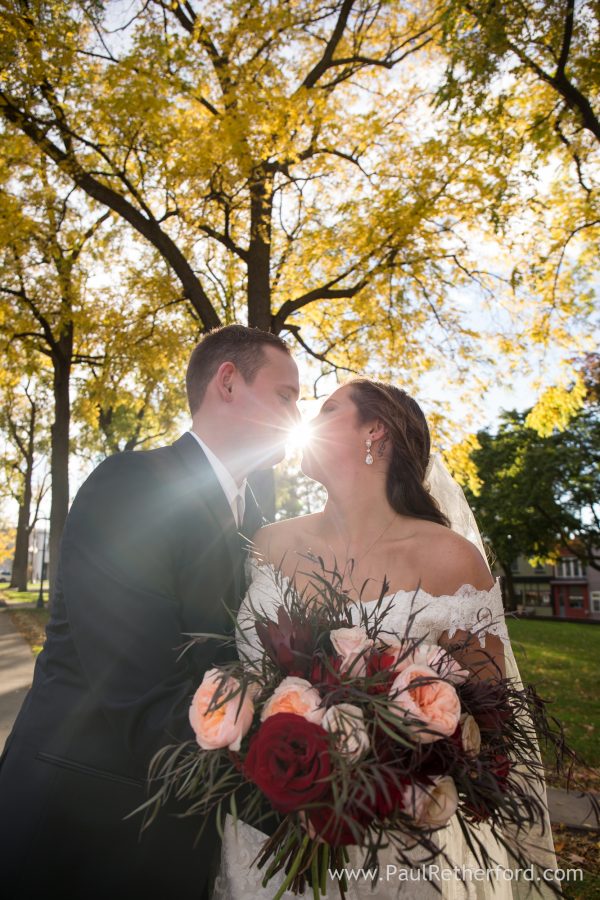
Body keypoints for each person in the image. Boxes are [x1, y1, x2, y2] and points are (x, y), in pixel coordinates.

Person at [212, 378, 557, 899]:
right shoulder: (269, 542)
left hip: (389, 850)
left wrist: (394, 759)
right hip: (264, 828)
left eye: (327, 409)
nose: (307, 418)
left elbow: (490, 725)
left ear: (375, 430)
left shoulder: (450, 560)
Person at [0, 324, 300, 899]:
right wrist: (299, 796)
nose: (296, 412)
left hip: (176, 839)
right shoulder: (134, 486)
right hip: (82, 825)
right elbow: (137, 691)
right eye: (285, 395)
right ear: (228, 383)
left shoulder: (260, 522)